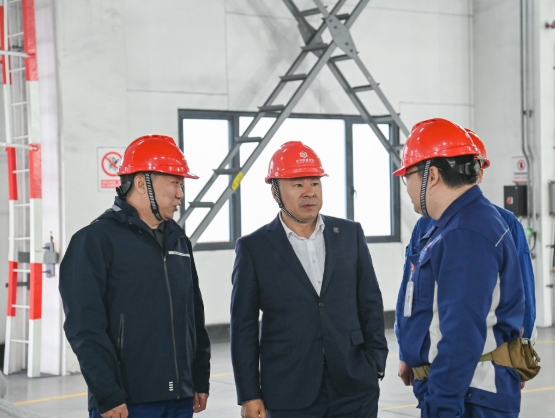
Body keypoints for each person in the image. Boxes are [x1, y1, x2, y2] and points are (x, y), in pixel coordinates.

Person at [231, 141, 388, 418]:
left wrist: (375, 362)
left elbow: (370, 302)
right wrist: (249, 394)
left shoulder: (349, 234)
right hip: (289, 391)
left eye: (315, 183)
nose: (309, 192)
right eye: (297, 184)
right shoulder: (254, 248)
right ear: (275, 192)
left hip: (354, 386)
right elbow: (243, 327)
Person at [59, 135, 211, 418]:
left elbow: (193, 315)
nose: (180, 194)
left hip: (180, 397)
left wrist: (199, 378)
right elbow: (84, 327)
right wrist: (107, 394)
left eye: (181, 185)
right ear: (142, 184)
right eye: (174, 183)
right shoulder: (95, 241)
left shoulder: (179, 241)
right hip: (127, 402)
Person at [392, 119, 524, 417]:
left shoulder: (466, 233)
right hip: (461, 391)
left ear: (432, 176)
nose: (407, 187)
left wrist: (442, 407)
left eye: (408, 176)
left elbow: (461, 335)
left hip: (470, 394)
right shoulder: (451, 226)